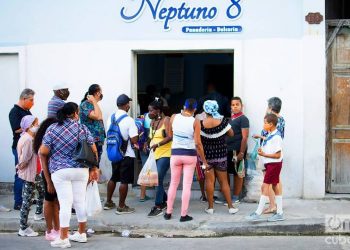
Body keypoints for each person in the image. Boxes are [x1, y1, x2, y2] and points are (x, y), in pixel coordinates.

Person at [40, 102, 100, 248]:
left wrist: (48, 179)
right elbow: (94, 150)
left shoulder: (53, 129)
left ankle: (64, 238)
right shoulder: (82, 128)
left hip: (60, 171)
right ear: (74, 113)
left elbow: (42, 152)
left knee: (65, 203)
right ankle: (81, 233)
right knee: (80, 201)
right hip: (81, 170)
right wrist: (94, 168)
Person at [164, 99, 209, 222]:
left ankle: (168, 212)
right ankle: (183, 215)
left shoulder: (174, 117)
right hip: (190, 155)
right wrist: (204, 161)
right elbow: (198, 143)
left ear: (184, 106)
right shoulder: (196, 121)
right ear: (195, 109)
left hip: (175, 154)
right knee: (186, 186)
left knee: (173, 184)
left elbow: (170, 134)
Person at [200, 100, 238, 215]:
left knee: (209, 182)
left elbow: (197, 139)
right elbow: (231, 134)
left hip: (207, 158)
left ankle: (210, 208)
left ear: (205, 110)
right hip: (221, 156)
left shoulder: (201, 124)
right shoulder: (222, 122)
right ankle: (231, 207)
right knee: (224, 182)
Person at [104, 94, 138, 214]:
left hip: (114, 153)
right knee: (124, 181)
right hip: (126, 154)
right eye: (128, 103)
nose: (129, 105)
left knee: (114, 177)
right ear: (126, 105)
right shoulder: (129, 120)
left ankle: (108, 202)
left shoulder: (111, 118)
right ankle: (121, 206)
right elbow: (134, 140)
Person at [246, 113, 284, 222]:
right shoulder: (270, 134)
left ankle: (257, 213)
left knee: (264, 187)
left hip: (274, 164)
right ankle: (280, 213)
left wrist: (264, 155)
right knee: (274, 186)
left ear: (271, 124)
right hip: (271, 164)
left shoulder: (276, 137)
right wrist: (262, 151)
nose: (264, 125)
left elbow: (278, 155)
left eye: (265, 123)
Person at [253, 97, 285, 214]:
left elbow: (272, 137)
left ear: (270, 108)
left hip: (271, 156)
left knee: (270, 182)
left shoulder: (273, 120)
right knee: (273, 181)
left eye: (267, 107)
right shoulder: (279, 119)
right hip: (269, 155)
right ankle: (275, 206)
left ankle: (272, 206)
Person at [17, 115, 45, 237]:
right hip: (30, 174)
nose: (37, 126)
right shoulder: (28, 139)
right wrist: (20, 166)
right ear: (29, 126)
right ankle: (23, 228)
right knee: (27, 201)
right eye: (35, 124)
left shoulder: (29, 137)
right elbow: (25, 158)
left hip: (35, 172)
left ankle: (38, 213)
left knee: (41, 191)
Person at [33, 117, 60, 241]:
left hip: (53, 173)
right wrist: (49, 182)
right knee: (49, 200)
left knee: (55, 202)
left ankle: (57, 229)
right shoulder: (44, 143)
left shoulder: (48, 140)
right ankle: (49, 231)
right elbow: (44, 164)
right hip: (48, 174)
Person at [9, 88, 35, 210]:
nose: (33, 103)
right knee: (20, 174)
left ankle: (27, 198)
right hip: (19, 148)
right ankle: (18, 202)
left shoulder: (27, 111)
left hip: (29, 147)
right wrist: (30, 127)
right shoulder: (14, 112)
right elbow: (16, 129)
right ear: (23, 99)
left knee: (30, 174)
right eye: (31, 100)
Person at [146, 98, 172, 217]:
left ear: (157, 111)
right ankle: (166, 200)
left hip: (165, 153)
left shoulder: (166, 120)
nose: (149, 113)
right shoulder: (152, 123)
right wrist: (147, 143)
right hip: (154, 154)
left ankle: (158, 205)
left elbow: (170, 136)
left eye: (151, 111)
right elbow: (151, 137)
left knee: (158, 178)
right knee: (157, 180)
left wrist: (158, 144)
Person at [226, 97, 249, 204]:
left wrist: (241, 152)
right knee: (226, 172)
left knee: (238, 173)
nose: (235, 106)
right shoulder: (231, 119)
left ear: (241, 106)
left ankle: (236, 197)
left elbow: (245, 137)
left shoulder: (243, 119)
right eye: (233, 105)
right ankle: (228, 196)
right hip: (228, 150)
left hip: (237, 150)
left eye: (237, 104)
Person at [80, 84, 105, 165]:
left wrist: (95, 102)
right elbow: (97, 117)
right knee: (91, 165)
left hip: (97, 140)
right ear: (97, 93)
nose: (101, 94)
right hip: (91, 140)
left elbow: (100, 117)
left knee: (96, 164)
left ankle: (94, 177)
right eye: (100, 92)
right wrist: (94, 101)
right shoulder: (85, 104)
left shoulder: (94, 105)